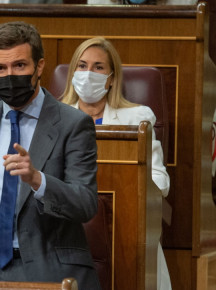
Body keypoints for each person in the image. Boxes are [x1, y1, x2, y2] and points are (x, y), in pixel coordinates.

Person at [0, 22, 101, 289]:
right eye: (0, 68)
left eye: (19, 66)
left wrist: (37, 180)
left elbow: (85, 203)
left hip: (49, 268)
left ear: (39, 66)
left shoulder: (72, 123)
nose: (10, 75)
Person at [61, 36, 171, 290]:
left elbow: (160, 180)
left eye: (98, 67)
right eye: (82, 65)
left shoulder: (137, 119)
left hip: (123, 224)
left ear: (111, 78)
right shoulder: (53, 117)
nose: (88, 74)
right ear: (72, 74)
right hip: (70, 223)